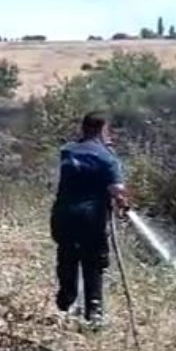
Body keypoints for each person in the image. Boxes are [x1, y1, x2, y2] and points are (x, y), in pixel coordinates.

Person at [51, 111, 130, 325]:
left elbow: (80, 160)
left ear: (83, 127)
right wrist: (123, 204)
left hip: (63, 215)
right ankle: (93, 314)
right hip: (91, 218)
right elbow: (117, 190)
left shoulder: (67, 151)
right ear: (102, 130)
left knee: (67, 256)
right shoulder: (108, 158)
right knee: (93, 264)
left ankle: (65, 301)